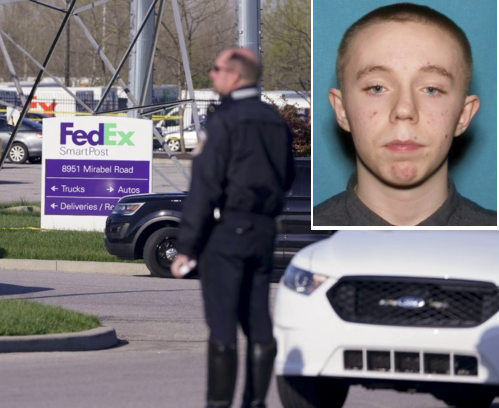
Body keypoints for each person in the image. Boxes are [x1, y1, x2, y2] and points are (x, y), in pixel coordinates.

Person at [171, 48, 295, 408]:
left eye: (216, 69)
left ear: (236, 76)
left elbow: (204, 186)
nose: (212, 75)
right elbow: (286, 176)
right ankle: (254, 403)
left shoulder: (225, 120)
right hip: (263, 232)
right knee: (258, 321)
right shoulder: (274, 120)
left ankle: (219, 404)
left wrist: (187, 246)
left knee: (222, 325)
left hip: (228, 231)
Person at [314, 3, 496, 226]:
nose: (404, 109)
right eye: (377, 88)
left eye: (431, 89)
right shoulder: (301, 247)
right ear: (341, 110)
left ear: (463, 116)